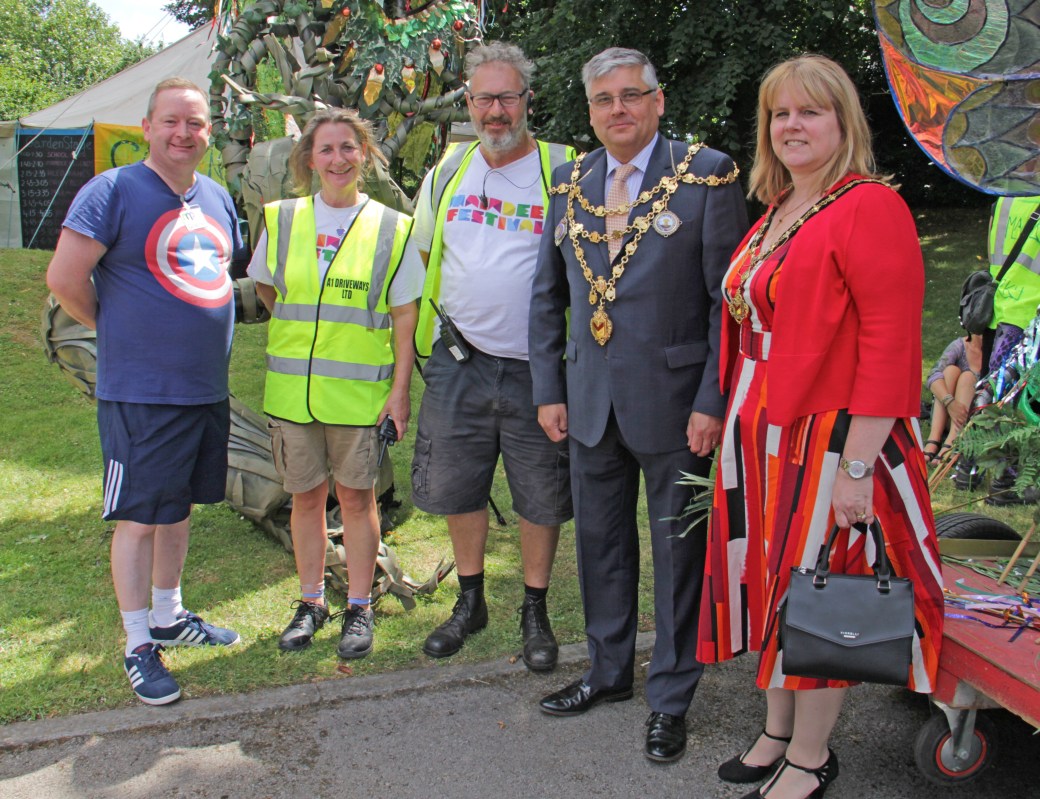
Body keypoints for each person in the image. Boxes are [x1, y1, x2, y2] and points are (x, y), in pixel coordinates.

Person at [698, 55, 944, 799]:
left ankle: (811, 755)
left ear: (844, 123)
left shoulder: (869, 205)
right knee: (768, 583)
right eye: (780, 114)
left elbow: (891, 342)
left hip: (831, 437)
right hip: (761, 435)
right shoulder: (779, 206)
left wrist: (858, 467)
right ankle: (775, 730)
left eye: (811, 112)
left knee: (817, 591)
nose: (792, 125)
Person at [528, 47, 748, 762]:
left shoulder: (707, 175)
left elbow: (728, 304)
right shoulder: (569, 181)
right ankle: (608, 669)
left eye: (631, 95)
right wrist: (549, 390)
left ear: (658, 100)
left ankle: (672, 695)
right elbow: (547, 298)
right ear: (589, 110)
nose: (617, 110)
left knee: (679, 554)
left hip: (679, 404)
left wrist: (714, 398)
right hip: (589, 402)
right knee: (600, 545)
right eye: (603, 100)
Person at [46, 77, 247, 706]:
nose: (183, 133)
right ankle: (138, 644)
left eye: (195, 123)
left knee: (178, 508)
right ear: (148, 126)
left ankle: (170, 614)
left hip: (203, 389)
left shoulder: (215, 195)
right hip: (142, 392)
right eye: (171, 122)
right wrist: (118, 327)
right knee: (137, 518)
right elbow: (64, 279)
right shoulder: (113, 190)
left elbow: (217, 274)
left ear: (209, 131)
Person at [410, 42, 575, 672]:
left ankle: (535, 609)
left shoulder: (566, 170)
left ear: (528, 100)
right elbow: (427, 256)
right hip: (461, 360)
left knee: (542, 491)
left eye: (508, 97)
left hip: (542, 368)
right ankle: (470, 601)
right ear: (469, 103)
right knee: (459, 483)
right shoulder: (447, 171)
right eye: (484, 98)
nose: (496, 110)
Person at [247, 108, 422, 659]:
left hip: (358, 398)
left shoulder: (393, 227)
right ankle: (311, 601)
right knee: (304, 501)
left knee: (356, 499)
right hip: (293, 397)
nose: (338, 159)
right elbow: (270, 291)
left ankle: (360, 607)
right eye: (326, 149)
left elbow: (405, 315)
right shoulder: (283, 220)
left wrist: (400, 392)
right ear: (309, 159)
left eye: (349, 148)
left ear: (364, 155)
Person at [984, 195, 1040, 374]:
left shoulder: (1004, 200)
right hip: (1032, 321)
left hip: (997, 311)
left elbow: (991, 253)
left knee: (999, 390)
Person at [923, 334, 982, 463]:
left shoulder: (996, 351)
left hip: (971, 418)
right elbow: (932, 376)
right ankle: (934, 437)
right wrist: (950, 403)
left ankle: (953, 439)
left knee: (967, 377)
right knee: (950, 371)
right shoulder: (959, 346)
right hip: (946, 413)